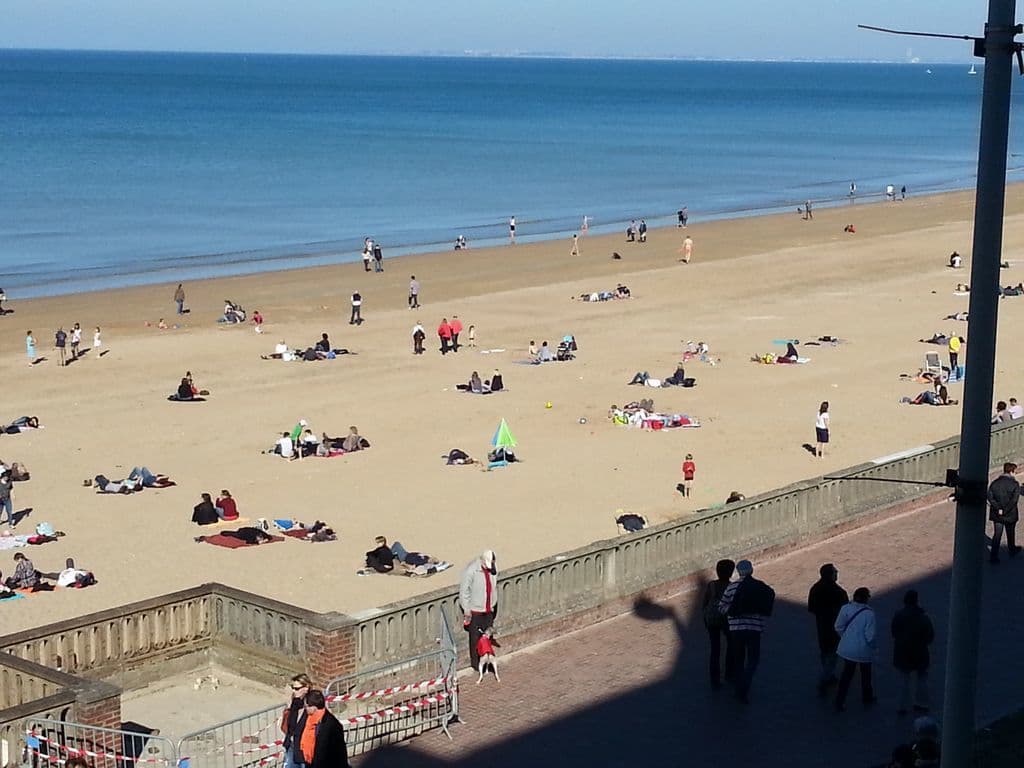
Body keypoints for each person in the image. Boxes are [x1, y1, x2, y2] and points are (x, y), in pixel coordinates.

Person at [718, 559, 774, 703]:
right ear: (751, 570)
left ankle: (739, 686)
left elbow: (721, 606)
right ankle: (744, 685)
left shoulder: (732, 587)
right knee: (753, 660)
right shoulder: (760, 587)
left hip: (736, 630)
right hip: (754, 628)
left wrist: (731, 611)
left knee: (739, 660)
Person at [807, 563, 849, 695]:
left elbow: (811, 608)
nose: (837, 574)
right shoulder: (839, 592)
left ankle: (828, 675)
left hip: (822, 626)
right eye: (835, 572)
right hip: (836, 628)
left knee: (825, 651)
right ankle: (825, 677)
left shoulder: (815, 589)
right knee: (833, 653)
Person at [891, 589, 934, 716]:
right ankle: (922, 703)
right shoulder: (923, 617)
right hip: (920, 652)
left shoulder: (898, 615)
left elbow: (894, 632)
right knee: (922, 679)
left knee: (904, 679)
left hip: (902, 652)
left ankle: (902, 706)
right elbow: (930, 635)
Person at [834, 586, 877, 711]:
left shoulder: (845, 608)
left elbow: (838, 626)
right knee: (866, 674)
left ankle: (839, 701)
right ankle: (867, 697)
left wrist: (846, 638)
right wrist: (874, 647)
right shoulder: (869, 614)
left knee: (846, 675)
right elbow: (871, 635)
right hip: (863, 650)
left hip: (847, 648)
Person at [459, 550, 498, 671]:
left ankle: (486, 661)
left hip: (488, 609)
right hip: (475, 611)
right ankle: (476, 664)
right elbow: (464, 592)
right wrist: (467, 609)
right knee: (475, 639)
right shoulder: (471, 570)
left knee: (487, 637)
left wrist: (493, 603)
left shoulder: (493, 569)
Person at [703, 558, 736, 689]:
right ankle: (729, 673)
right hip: (727, 619)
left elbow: (704, 603)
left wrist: (705, 618)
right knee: (731, 645)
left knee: (715, 649)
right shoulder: (732, 586)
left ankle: (714, 679)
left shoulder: (711, 585)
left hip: (712, 620)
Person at [300, 690, 350, 768]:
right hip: (311, 762)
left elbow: (338, 752)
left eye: (306, 706)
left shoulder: (331, 725)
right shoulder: (309, 719)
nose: (305, 708)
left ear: (314, 707)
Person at [987, 462, 1020, 563]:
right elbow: (1014, 500)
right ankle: (1012, 549)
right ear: (1011, 471)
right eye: (1015, 471)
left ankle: (994, 556)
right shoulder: (1014, 484)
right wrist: (1005, 510)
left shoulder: (995, 483)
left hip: (997, 514)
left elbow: (990, 497)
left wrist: (998, 508)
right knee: (1010, 533)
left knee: (997, 535)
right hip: (1010, 514)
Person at [280, 673, 311, 768]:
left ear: (306, 688)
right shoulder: (295, 702)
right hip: (292, 745)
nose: (294, 691)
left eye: (296, 688)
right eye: (292, 688)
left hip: (305, 749)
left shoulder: (313, 704)